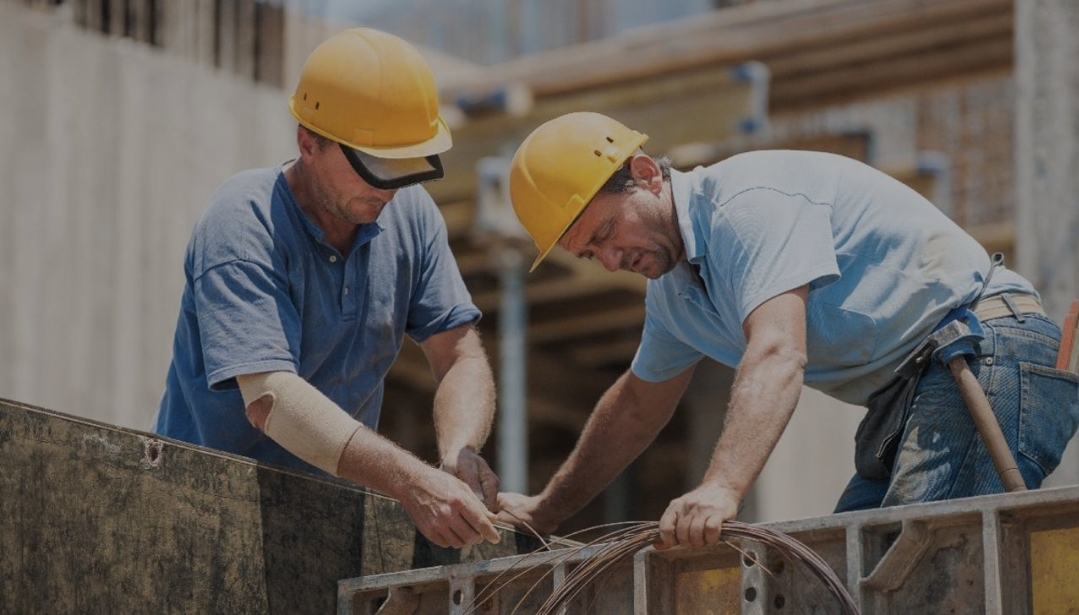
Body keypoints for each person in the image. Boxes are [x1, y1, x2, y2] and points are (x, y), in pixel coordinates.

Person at [496, 111, 1079, 550]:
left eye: (605, 233)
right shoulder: (675, 295)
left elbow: (777, 353)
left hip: (987, 351)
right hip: (920, 392)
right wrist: (546, 512)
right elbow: (634, 409)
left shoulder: (746, 206)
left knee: (916, 570)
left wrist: (721, 488)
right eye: (590, 254)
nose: (611, 259)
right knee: (845, 575)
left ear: (646, 175)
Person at [152, 28, 501, 549]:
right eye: (373, 165)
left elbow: (459, 356)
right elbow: (271, 399)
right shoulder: (244, 221)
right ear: (307, 143)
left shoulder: (411, 216)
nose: (388, 186)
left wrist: (459, 453)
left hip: (329, 522)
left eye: (403, 165)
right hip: (202, 514)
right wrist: (411, 481)